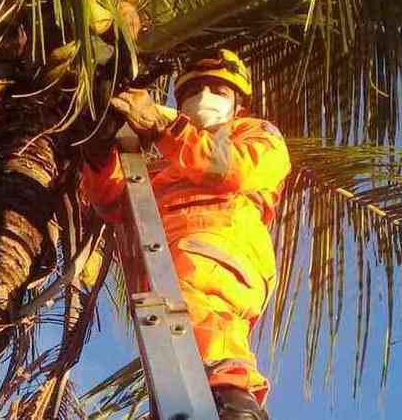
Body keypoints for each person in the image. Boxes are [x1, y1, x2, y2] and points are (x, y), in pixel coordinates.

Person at [81, 49, 290, 420]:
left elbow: (235, 170)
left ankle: (233, 403)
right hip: (161, 255)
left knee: (203, 313)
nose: (204, 97)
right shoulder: (162, 152)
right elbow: (114, 200)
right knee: (172, 352)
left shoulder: (253, 132)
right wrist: (100, 152)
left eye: (217, 90)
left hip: (218, 243)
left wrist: (167, 128)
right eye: (195, 89)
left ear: (237, 103)